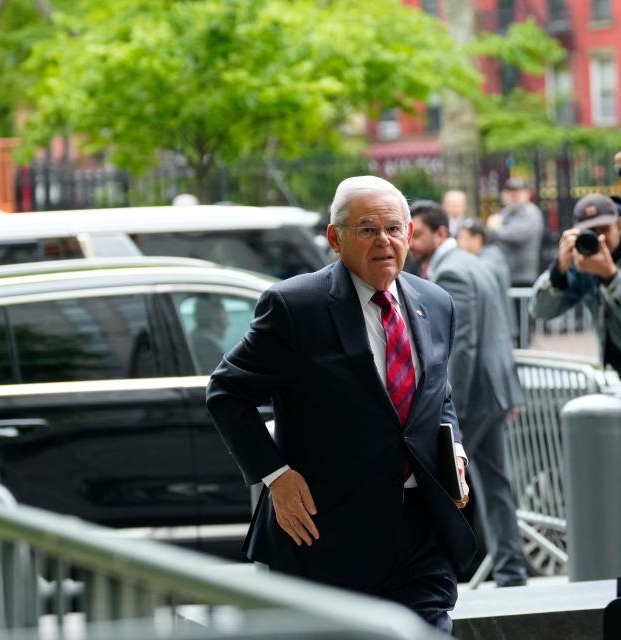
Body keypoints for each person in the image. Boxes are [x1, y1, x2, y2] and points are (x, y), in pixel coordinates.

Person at [206, 176, 476, 632]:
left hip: (421, 531)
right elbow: (227, 393)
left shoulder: (437, 302)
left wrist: (455, 451)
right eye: (367, 229)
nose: (384, 241)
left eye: (394, 228)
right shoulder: (296, 307)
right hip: (327, 534)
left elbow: (437, 393)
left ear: (411, 234)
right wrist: (276, 476)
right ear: (336, 238)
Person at [408, 200, 529, 588]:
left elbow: (460, 345)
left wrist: (445, 404)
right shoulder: (470, 262)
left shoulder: (452, 271)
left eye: (419, 233)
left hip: (473, 396)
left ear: (441, 233)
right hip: (491, 390)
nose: (411, 242)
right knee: (493, 485)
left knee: (444, 483)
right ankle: (510, 571)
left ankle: (443, 571)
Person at [530, 193, 621, 388]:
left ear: (620, 225)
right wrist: (559, 269)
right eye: (590, 232)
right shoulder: (584, 258)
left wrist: (611, 276)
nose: (598, 239)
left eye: (604, 229)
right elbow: (540, 310)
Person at [457, 218, 516, 340]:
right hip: (497, 328)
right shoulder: (491, 257)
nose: (459, 242)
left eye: (463, 237)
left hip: (497, 330)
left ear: (477, 239)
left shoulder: (488, 262)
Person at [486, 178, 544, 286]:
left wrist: (495, 229)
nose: (513, 196)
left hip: (523, 277)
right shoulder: (506, 212)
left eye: (517, 192)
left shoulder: (531, 213)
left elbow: (516, 235)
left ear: (527, 194)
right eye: (510, 192)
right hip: (505, 274)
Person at [189, 295, 229, 372]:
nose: (228, 323)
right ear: (214, 318)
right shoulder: (206, 344)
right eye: (225, 316)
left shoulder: (196, 337)